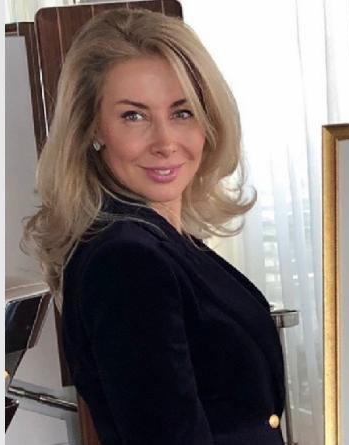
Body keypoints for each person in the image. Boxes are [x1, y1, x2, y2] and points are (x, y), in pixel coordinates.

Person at [24, 9, 284, 444]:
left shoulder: (165, 241)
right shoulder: (127, 260)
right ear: (93, 127)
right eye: (134, 116)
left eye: (182, 112)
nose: (165, 142)